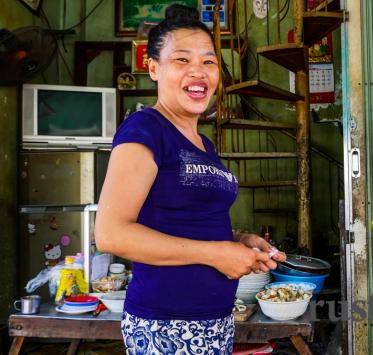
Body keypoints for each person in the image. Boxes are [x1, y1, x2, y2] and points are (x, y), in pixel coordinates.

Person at [94, 4, 285, 354]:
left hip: (212, 319)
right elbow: (110, 234)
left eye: (209, 62)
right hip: (166, 323)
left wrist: (238, 240)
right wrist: (216, 253)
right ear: (153, 68)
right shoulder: (146, 130)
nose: (198, 72)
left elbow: (182, 220)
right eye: (182, 60)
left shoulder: (203, 143)